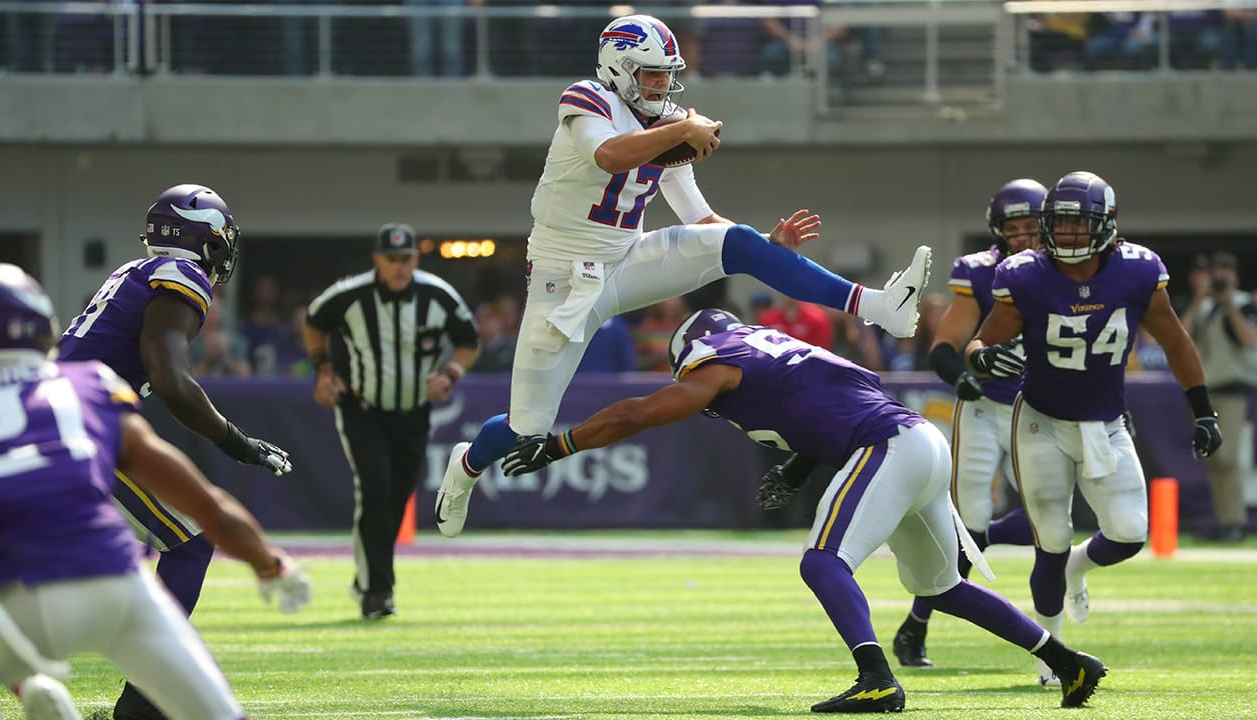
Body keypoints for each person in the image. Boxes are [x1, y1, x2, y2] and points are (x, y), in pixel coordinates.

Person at [434, 13, 933, 538]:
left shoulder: (669, 119)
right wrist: (681, 130)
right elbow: (609, 156)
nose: (662, 85)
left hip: (627, 259)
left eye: (665, 74)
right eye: (650, 74)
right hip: (565, 279)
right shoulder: (587, 99)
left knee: (737, 240)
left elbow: (699, 218)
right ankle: (466, 467)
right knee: (524, 430)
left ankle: (878, 305)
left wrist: (768, 249)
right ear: (618, 68)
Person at [498, 308, 1106, 713]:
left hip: (887, 446)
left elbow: (638, 413)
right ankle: (1066, 662)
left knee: (822, 563)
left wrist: (559, 444)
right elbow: (830, 407)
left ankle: (876, 680)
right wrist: (798, 466)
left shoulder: (719, 359)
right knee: (941, 586)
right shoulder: (787, 350)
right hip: (920, 442)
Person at [0, 263, 312, 720]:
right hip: (122, 591)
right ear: (42, 327)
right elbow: (208, 506)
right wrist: (272, 566)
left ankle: (23, 681)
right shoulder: (89, 386)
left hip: (21, 597)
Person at [964, 171, 1222, 680]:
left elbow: (1174, 341)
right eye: (1059, 224)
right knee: (1051, 539)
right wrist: (983, 361)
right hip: (1039, 420)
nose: (1068, 236)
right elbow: (978, 344)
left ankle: (1080, 568)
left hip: (1104, 420)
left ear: (1106, 226)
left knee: (1129, 534)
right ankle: (1053, 655)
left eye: (1079, 225)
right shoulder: (1024, 274)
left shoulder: (1138, 270)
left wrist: (1204, 410)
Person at [54, 184, 293, 720]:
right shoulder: (180, 277)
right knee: (191, 538)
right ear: (207, 239)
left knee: (60, 558)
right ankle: (144, 702)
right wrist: (237, 442)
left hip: (57, 417)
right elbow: (171, 379)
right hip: (79, 425)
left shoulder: (132, 273)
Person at [891, 179, 1046, 673]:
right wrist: (963, 379)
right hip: (984, 409)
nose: (1022, 237)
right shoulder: (979, 271)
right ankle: (917, 624)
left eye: (1030, 228)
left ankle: (989, 549)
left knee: (1050, 522)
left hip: (1041, 409)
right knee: (968, 520)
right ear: (998, 231)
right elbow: (943, 346)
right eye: (1013, 229)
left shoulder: (1067, 271)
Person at [304, 222, 480, 619]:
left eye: (405, 259)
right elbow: (315, 322)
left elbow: (469, 339)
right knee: (376, 489)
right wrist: (322, 370)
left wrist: (450, 374)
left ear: (415, 259)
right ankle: (376, 591)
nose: (398, 267)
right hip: (361, 408)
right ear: (377, 261)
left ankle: (368, 579)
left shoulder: (438, 295)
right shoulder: (349, 295)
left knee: (397, 498)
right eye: (391, 259)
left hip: (413, 412)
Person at [1179, 251, 1256, 542]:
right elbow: (1179, 336)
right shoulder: (1204, 307)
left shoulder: (1245, 304)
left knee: (1228, 458)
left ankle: (1234, 522)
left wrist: (1229, 306)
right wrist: (1200, 299)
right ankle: (1224, 521)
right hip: (1206, 391)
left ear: (1235, 277)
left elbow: (1249, 340)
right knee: (1212, 458)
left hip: (1233, 389)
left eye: (1226, 272)